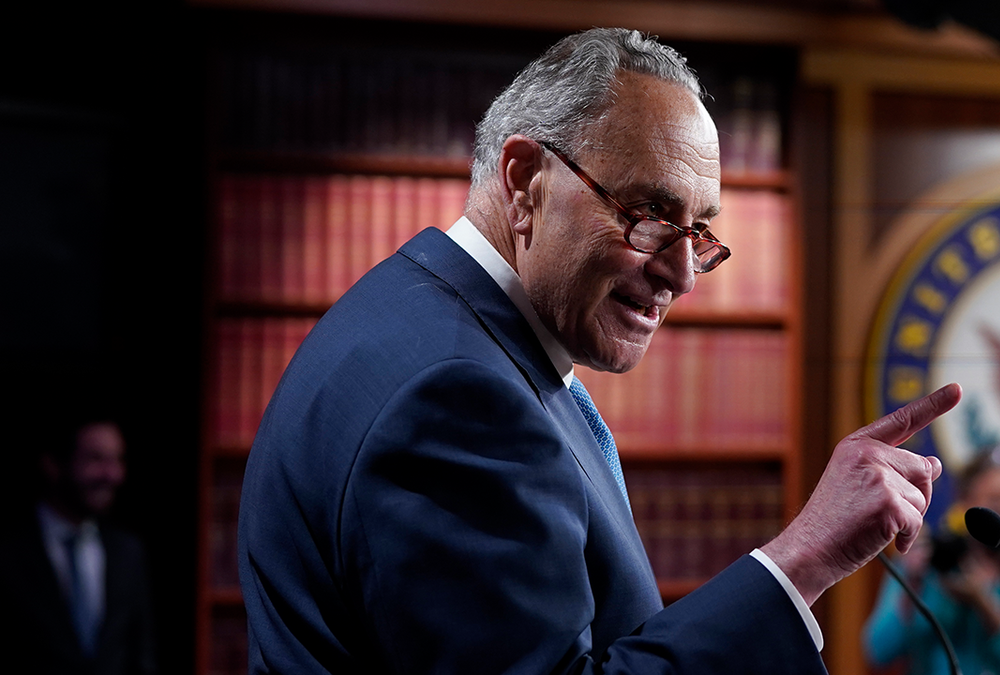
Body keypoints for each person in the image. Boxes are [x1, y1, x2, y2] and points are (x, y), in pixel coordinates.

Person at [239, 27, 961, 674]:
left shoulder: (420, 313)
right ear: (524, 183)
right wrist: (803, 557)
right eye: (648, 215)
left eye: (699, 229)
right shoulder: (456, 395)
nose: (682, 274)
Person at [862, 445, 1000, 675]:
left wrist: (984, 604)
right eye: (995, 501)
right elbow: (877, 651)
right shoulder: (930, 562)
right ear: (964, 499)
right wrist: (913, 585)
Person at [0, 410, 157, 675]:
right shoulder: (8, 552)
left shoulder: (127, 552)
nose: (113, 475)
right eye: (96, 459)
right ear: (53, 464)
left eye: (118, 460)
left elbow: (142, 655)